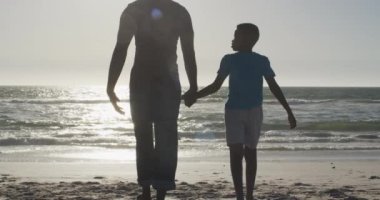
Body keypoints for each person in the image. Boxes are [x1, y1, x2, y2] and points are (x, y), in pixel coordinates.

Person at [183, 23, 296, 200]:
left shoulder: (262, 60)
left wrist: (288, 111)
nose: (233, 39)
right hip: (234, 111)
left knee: (250, 152)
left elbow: (273, 86)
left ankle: (249, 195)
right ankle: (240, 196)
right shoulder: (229, 59)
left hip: (254, 111)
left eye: (237, 36)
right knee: (236, 154)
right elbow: (216, 86)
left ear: (249, 39)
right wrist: (193, 96)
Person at [106, 0, 198, 199]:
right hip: (165, 79)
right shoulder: (179, 11)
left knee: (144, 135)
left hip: (143, 78)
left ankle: (148, 189)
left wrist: (111, 85)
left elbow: (121, 48)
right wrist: (193, 85)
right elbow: (188, 50)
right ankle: (158, 191)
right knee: (165, 136)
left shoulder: (134, 9)